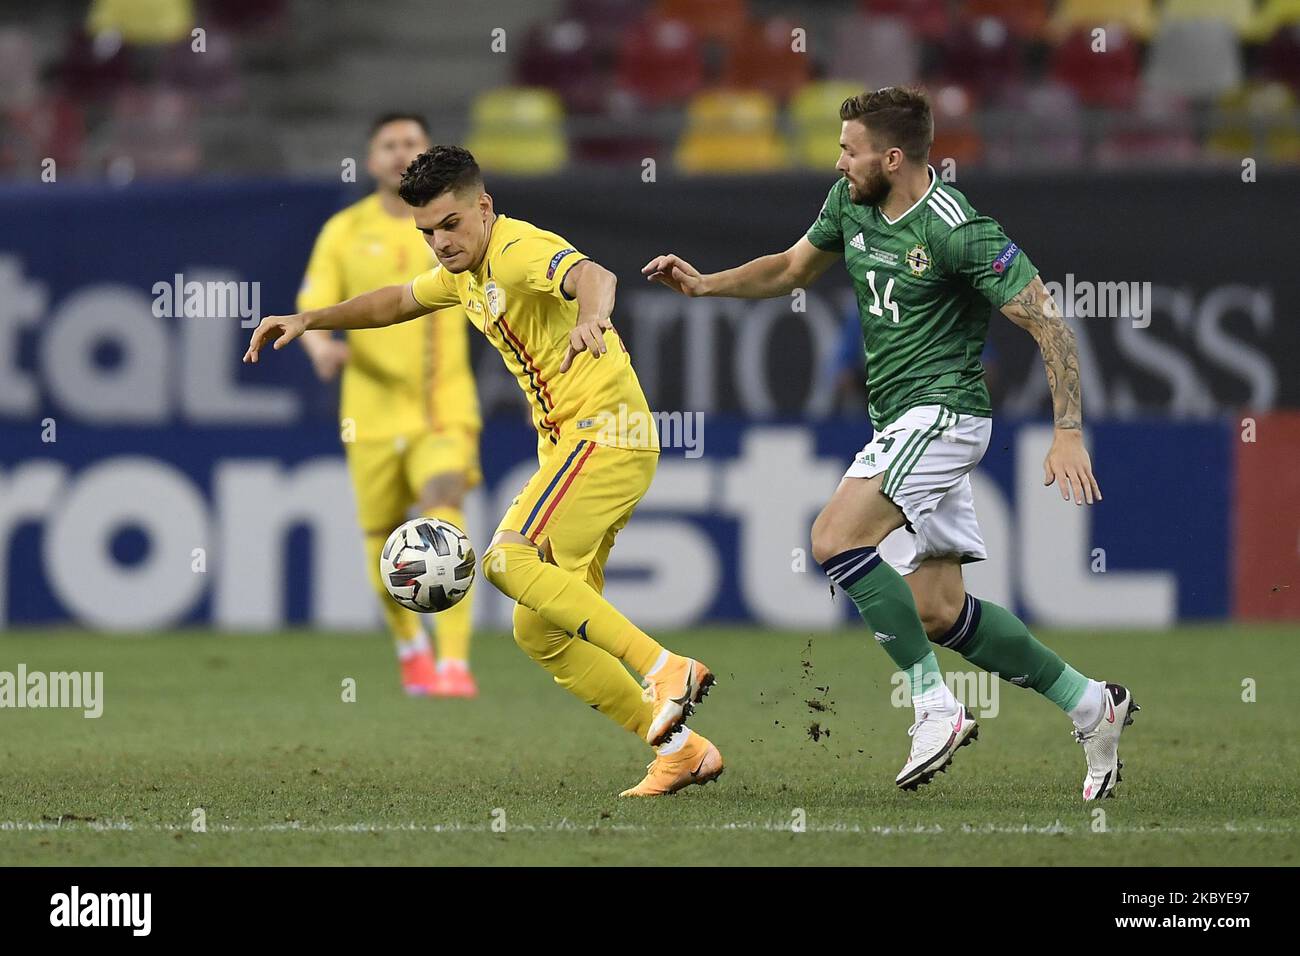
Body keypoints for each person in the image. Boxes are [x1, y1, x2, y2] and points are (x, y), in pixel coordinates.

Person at [643, 87, 1137, 800]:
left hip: (944, 414)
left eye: (850, 150)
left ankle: (934, 708)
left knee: (833, 538)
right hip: (899, 423)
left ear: (893, 156)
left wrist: (1067, 432)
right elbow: (789, 269)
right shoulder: (850, 203)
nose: (839, 161)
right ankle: (1093, 703)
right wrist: (705, 284)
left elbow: (1050, 324)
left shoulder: (959, 229)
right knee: (938, 611)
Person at [246, 145, 723, 797]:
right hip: (577, 445)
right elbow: (395, 302)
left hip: (602, 433)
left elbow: (596, 276)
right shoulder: (466, 273)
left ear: (483, 208)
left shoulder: (519, 250)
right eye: (426, 232)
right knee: (541, 633)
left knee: (506, 561)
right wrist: (310, 318)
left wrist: (592, 316)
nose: (439, 243)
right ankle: (679, 748)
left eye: (449, 225)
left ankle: (665, 667)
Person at [296, 114, 481, 697]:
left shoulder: (452, 225)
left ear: (429, 156)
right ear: (372, 160)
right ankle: (410, 646)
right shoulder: (343, 232)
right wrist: (322, 347)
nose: (401, 152)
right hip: (369, 414)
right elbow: (314, 308)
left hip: (443, 407)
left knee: (441, 510)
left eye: (412, 144)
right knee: (382, 538)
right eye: (389, 145)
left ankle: (454, 664)